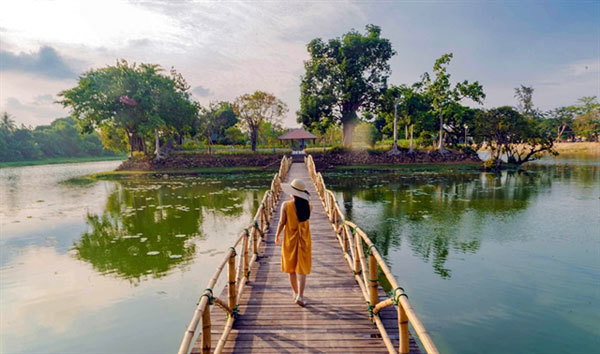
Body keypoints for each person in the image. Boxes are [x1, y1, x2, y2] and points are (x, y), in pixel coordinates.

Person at [275, 178, 312, 307]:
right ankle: (300, 296)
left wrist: (277, 234)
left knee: (291, 268)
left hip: (290, 239)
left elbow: (281, 222)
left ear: (293, 193)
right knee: (301, 269)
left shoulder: (286, 205)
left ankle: (295, 293)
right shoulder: (309, 206)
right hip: (304, 240)